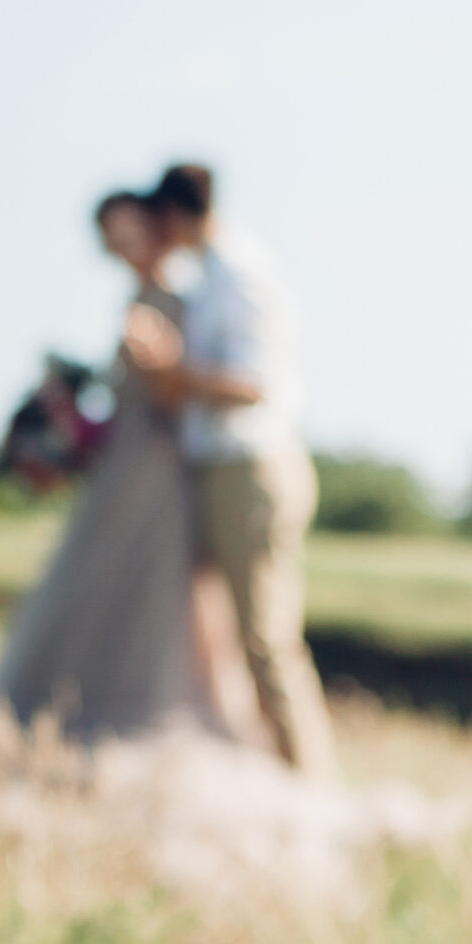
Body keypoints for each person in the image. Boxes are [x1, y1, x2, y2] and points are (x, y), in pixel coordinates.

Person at [0, 193, 230, 747]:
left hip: (158, 468)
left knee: (150, 590)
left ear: (156, 227)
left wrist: (157, 370)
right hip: (122, 461)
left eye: (130, 233)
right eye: (113, 239)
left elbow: (172, 393)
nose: (124, 248)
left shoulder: (178, 299)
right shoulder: (138, 295)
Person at [123, 162, 338, 778]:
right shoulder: (211, 274)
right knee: (226, 639)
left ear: (173, 216)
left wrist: (171, 373)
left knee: (267, 640)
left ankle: (314, 783)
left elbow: (253, 386)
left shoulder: (242, 274)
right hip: (223, 469)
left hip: (251, 470)